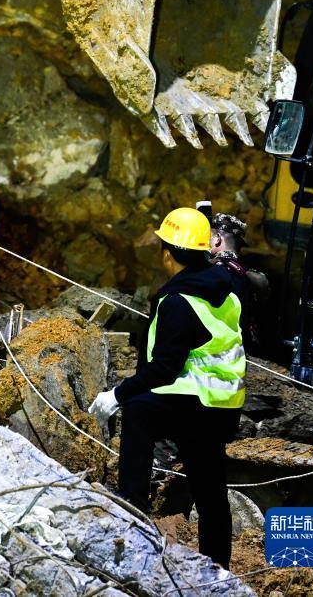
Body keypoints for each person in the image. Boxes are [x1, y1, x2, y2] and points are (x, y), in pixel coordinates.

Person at [89, 207, 245, 569]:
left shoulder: (178, 301)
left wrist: (117, 394)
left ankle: (132, 508)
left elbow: (164, 368)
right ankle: (217, 570)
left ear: (167, 253)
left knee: (139, 410)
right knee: (210, 492)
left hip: (197, 403)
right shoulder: (227, 291)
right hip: (224, 405)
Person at [208, 211, 270, 350]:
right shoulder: (250, 274)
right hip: (242, 346)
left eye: (209, 237)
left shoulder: (212, 271)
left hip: (215, 348)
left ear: (217, 239)